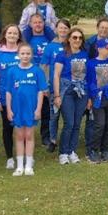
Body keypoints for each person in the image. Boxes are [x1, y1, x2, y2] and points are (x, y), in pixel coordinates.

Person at [6, 44, 46, 176]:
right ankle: (19, 166)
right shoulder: (12, 71)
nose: (25, 56)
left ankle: (28, 165)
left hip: (31, 108)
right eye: (22, 53)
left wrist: (38, 109)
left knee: (29, 135)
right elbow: (8, 92)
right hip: (17, 108)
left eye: (28, 53)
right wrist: (9, 110)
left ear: (32, 55)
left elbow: (41, 91)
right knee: (19, 136)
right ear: (18, 55)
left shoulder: (37, 71)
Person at [53, 28, 89, 165]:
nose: (77, 40)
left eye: (80, 38)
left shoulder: (85, 55)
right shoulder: (62, 55)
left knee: (77, 123)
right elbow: (56, 75)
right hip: (67, 91)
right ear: (69, 39)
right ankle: (63, 152)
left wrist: (89, 97)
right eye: (74, 37)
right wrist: (57, 95)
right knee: (69, 123)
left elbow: (89, 75)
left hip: (81, 92)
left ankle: (72, 151)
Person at [0, 24, 22, 168]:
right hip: (4, 99)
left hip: (22, 98)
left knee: (22, 127)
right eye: (10, 33)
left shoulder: (23, 52)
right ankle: (10, 158)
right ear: (5, 35)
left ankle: (23, 155)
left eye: (15, 33)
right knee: (8, 128)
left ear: (19, 36)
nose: (12, 35)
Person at [86, 38, 108, 163]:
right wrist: (91, 97)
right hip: (98, 99)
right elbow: (89, 81)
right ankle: (94, 150)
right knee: (99, 124)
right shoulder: (91, 63)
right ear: (99, 49)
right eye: (107, 48)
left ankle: (105, 149)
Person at [22, 13, 53, 147]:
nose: (38, 24)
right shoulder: (27, 40)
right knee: (28, 107)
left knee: (46, 110)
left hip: (46, 76)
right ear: (30, 24)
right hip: (30, 77)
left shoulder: (49, 39)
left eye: (40, 22)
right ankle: (26, 135)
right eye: (35, 22)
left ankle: (45, 136)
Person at [40, 18, 71, 152]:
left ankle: (67, 139)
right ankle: (52, 140)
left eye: (65, 28)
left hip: (69, 87)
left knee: (68, 115)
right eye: (61, 28)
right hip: (55, 86)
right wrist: (45, 85)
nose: (63, 30)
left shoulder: (72, 44)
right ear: (56, 29)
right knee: (54, 115)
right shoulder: (50, 46)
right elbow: (44, 66)